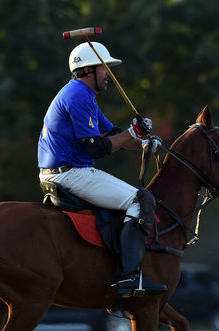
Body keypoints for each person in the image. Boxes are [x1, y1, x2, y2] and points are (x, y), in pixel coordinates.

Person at [37, 41, 167, 298]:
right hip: (69, 173)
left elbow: (113, 135)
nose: (108, 74)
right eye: (104, 68)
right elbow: (97, 148)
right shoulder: (76, 96)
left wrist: (143, 141)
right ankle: (130, 278)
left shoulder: (84, 96)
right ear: (88, 70)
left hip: (65, 171)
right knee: (141, 200)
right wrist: (132, 133)